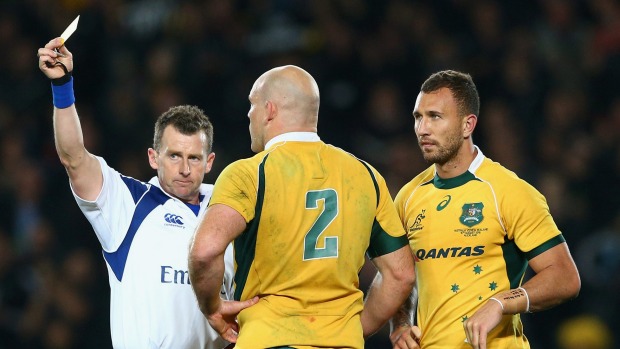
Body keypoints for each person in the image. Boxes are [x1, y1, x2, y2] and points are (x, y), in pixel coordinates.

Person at [188, 65, 416, 348]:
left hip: (270, 339)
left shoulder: (249, 173)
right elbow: (401, 274)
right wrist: (350, 330)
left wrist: (212, 307)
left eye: (252, 104)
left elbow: (205, 251)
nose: (249, 114)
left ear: (269, 110)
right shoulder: (366, 175)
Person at [37, 37, 235, 349]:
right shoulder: (127, 202)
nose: (184, 168)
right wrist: (62, 85)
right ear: (153, 157)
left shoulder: (232, 207)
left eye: (194, 158)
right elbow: (74, 158)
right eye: (174, 156)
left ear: (209, 162)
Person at [389, 70, 581, 349]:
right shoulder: (408, 197)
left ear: (468, 125)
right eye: (418, 117)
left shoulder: (508, 191)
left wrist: (500, 303)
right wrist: (401, 323)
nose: (423, 129)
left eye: (435, 117)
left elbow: (565, 277)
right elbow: (398, 276)